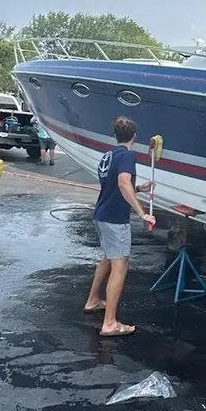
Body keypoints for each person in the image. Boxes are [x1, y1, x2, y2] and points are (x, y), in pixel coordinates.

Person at [83, 116, 155, 337]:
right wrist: (143, 213)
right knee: (120, 265)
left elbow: (116, 185)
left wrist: (139, 188)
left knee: (107, 258)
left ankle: (93, 301)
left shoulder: (109, 155)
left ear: (115, 135)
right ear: (134, 136)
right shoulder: (127, 156)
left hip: (102, 215)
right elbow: (123, 184)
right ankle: (110, 323)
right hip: (115, 219)